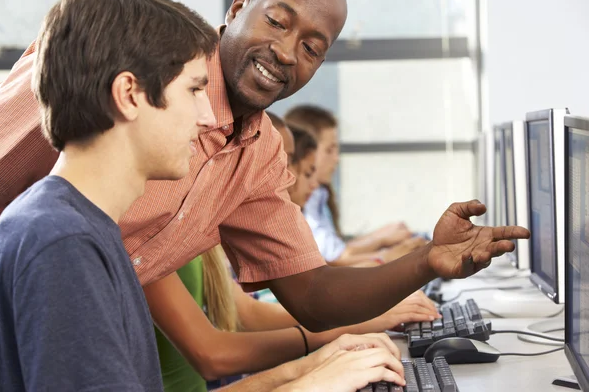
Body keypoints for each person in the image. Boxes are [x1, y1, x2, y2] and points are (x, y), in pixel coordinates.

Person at [0, 0, 528, 371]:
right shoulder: (129, 61)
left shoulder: (260, 153)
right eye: (278, 21)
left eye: (313, 48)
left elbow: (312, 292)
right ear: (239, 4)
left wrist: (426, 261)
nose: (289, 52)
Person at [0, 0, 218, 390]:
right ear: (129, 94)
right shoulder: (62, 240)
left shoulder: (73, 224)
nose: (208, 117)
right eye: (195, 90)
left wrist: (304, 375)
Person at [155, 114, 439, 392]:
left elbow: (247, 314)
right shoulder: (146, 241)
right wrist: (329, 348)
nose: (286, 174)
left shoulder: (194, 235)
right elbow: (213, 354)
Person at [285, 104, 429, 266]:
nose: (336, 159)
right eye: (329, 150)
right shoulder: (301, 206)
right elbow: (334, 259)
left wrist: (382, 241)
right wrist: (383, 251)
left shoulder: (317, 195)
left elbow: (334, 253)